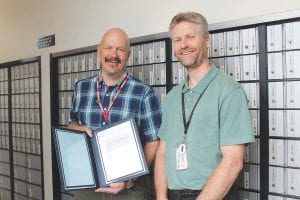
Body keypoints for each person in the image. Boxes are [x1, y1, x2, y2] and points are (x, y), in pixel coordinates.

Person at [154, 12, 254, 200]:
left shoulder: (229, 91)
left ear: (207, 41)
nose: (183, 44)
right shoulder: (172, 97)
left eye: (190, 37)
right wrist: (160, 196)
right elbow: (162, 153)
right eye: (177, 39)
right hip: (173, 195)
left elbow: (233, 161)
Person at [68, 28, 162, 200]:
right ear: (99, 50)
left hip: (129, 191)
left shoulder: (144, 92)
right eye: (109, 48)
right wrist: (76, 129)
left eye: (120, 49)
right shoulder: (81, 88)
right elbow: (72, 124)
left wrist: (131, 179)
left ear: (128, 54)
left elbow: (154, 140)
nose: (114, 54)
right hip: (88, 187)